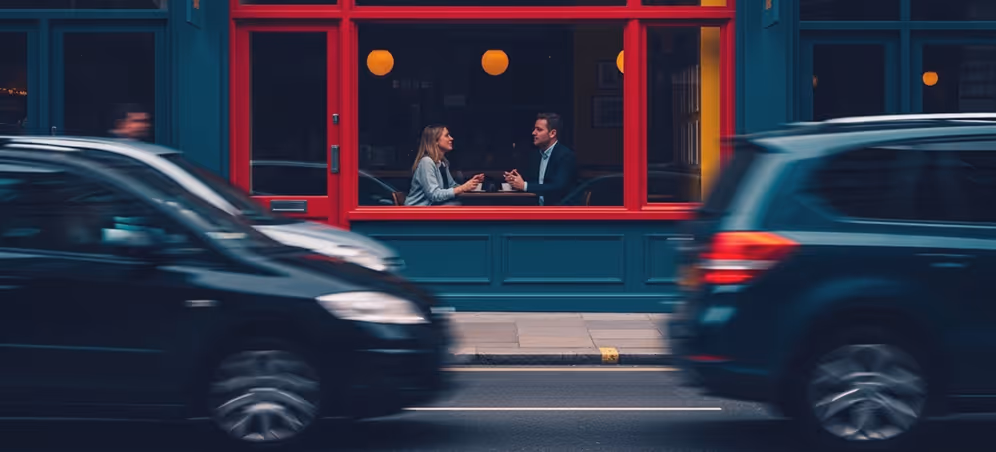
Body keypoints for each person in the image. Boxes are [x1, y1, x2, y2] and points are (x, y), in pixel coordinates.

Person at [504, 112, 577, 206]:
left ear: (552, 133)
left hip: (560, 210)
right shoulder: (535, 155)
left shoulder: (566, 155)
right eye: (534, 129)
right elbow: (533, 182)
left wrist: (525, 186)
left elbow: (558, 186)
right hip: (536, 209)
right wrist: (514, 179)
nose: (533, 133)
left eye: (539, 130)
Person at [405, 125, 484, 206]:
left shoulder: (443, 163)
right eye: (447, 135)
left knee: (461, 204)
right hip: (417, 210)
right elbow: (434, 194)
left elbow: (452, 186)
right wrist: (462, 188)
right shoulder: (426, 162)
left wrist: (470, 184)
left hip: (432, 208)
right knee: (458, 206)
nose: (451, 138)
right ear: (435, 141)